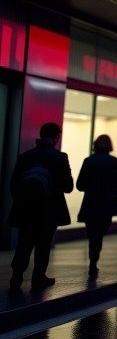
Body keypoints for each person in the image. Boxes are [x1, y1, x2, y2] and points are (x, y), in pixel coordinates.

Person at [7, 122, 74, 291]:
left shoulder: (25, 156)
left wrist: (24, 200)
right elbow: (68, 186)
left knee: (24, 243)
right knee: (43, 245)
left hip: (26, 208)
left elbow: (13, 184)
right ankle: (38, 278)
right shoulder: (60, 157)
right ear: (56, 137)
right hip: (49, 210)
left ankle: (16, 276)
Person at [75, 134, 117, 277]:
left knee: (92, 235)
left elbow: (80, 185)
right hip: (107, 205)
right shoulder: (113, 161)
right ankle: (94, 260)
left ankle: (93, 261)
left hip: (90, 204)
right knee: (99, 235)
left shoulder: (89, 161)